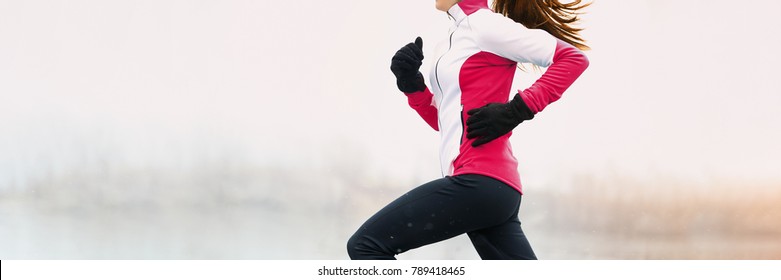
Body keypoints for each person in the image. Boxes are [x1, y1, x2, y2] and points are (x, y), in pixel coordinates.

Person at [347, 0, 590, 260]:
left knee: (366, 245)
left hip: (480, 182)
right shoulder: (455, 38)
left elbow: (573, 59)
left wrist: (517, 110)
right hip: (493, 191)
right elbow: (451, 123)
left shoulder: (485, 26)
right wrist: (412, 85)